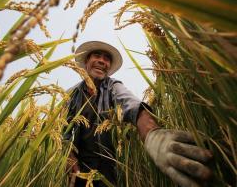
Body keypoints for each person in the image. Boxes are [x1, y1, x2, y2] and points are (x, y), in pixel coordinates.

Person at [65, 41, 212, 187]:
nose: (102, 61)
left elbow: (133, 106)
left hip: (109, 166)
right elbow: (62, 130)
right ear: (86, 61)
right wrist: (68, 156)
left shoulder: (113, 86)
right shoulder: (71, 94)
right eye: (97, 56)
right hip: (77, 167)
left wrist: (153, 135)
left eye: (107, 58)